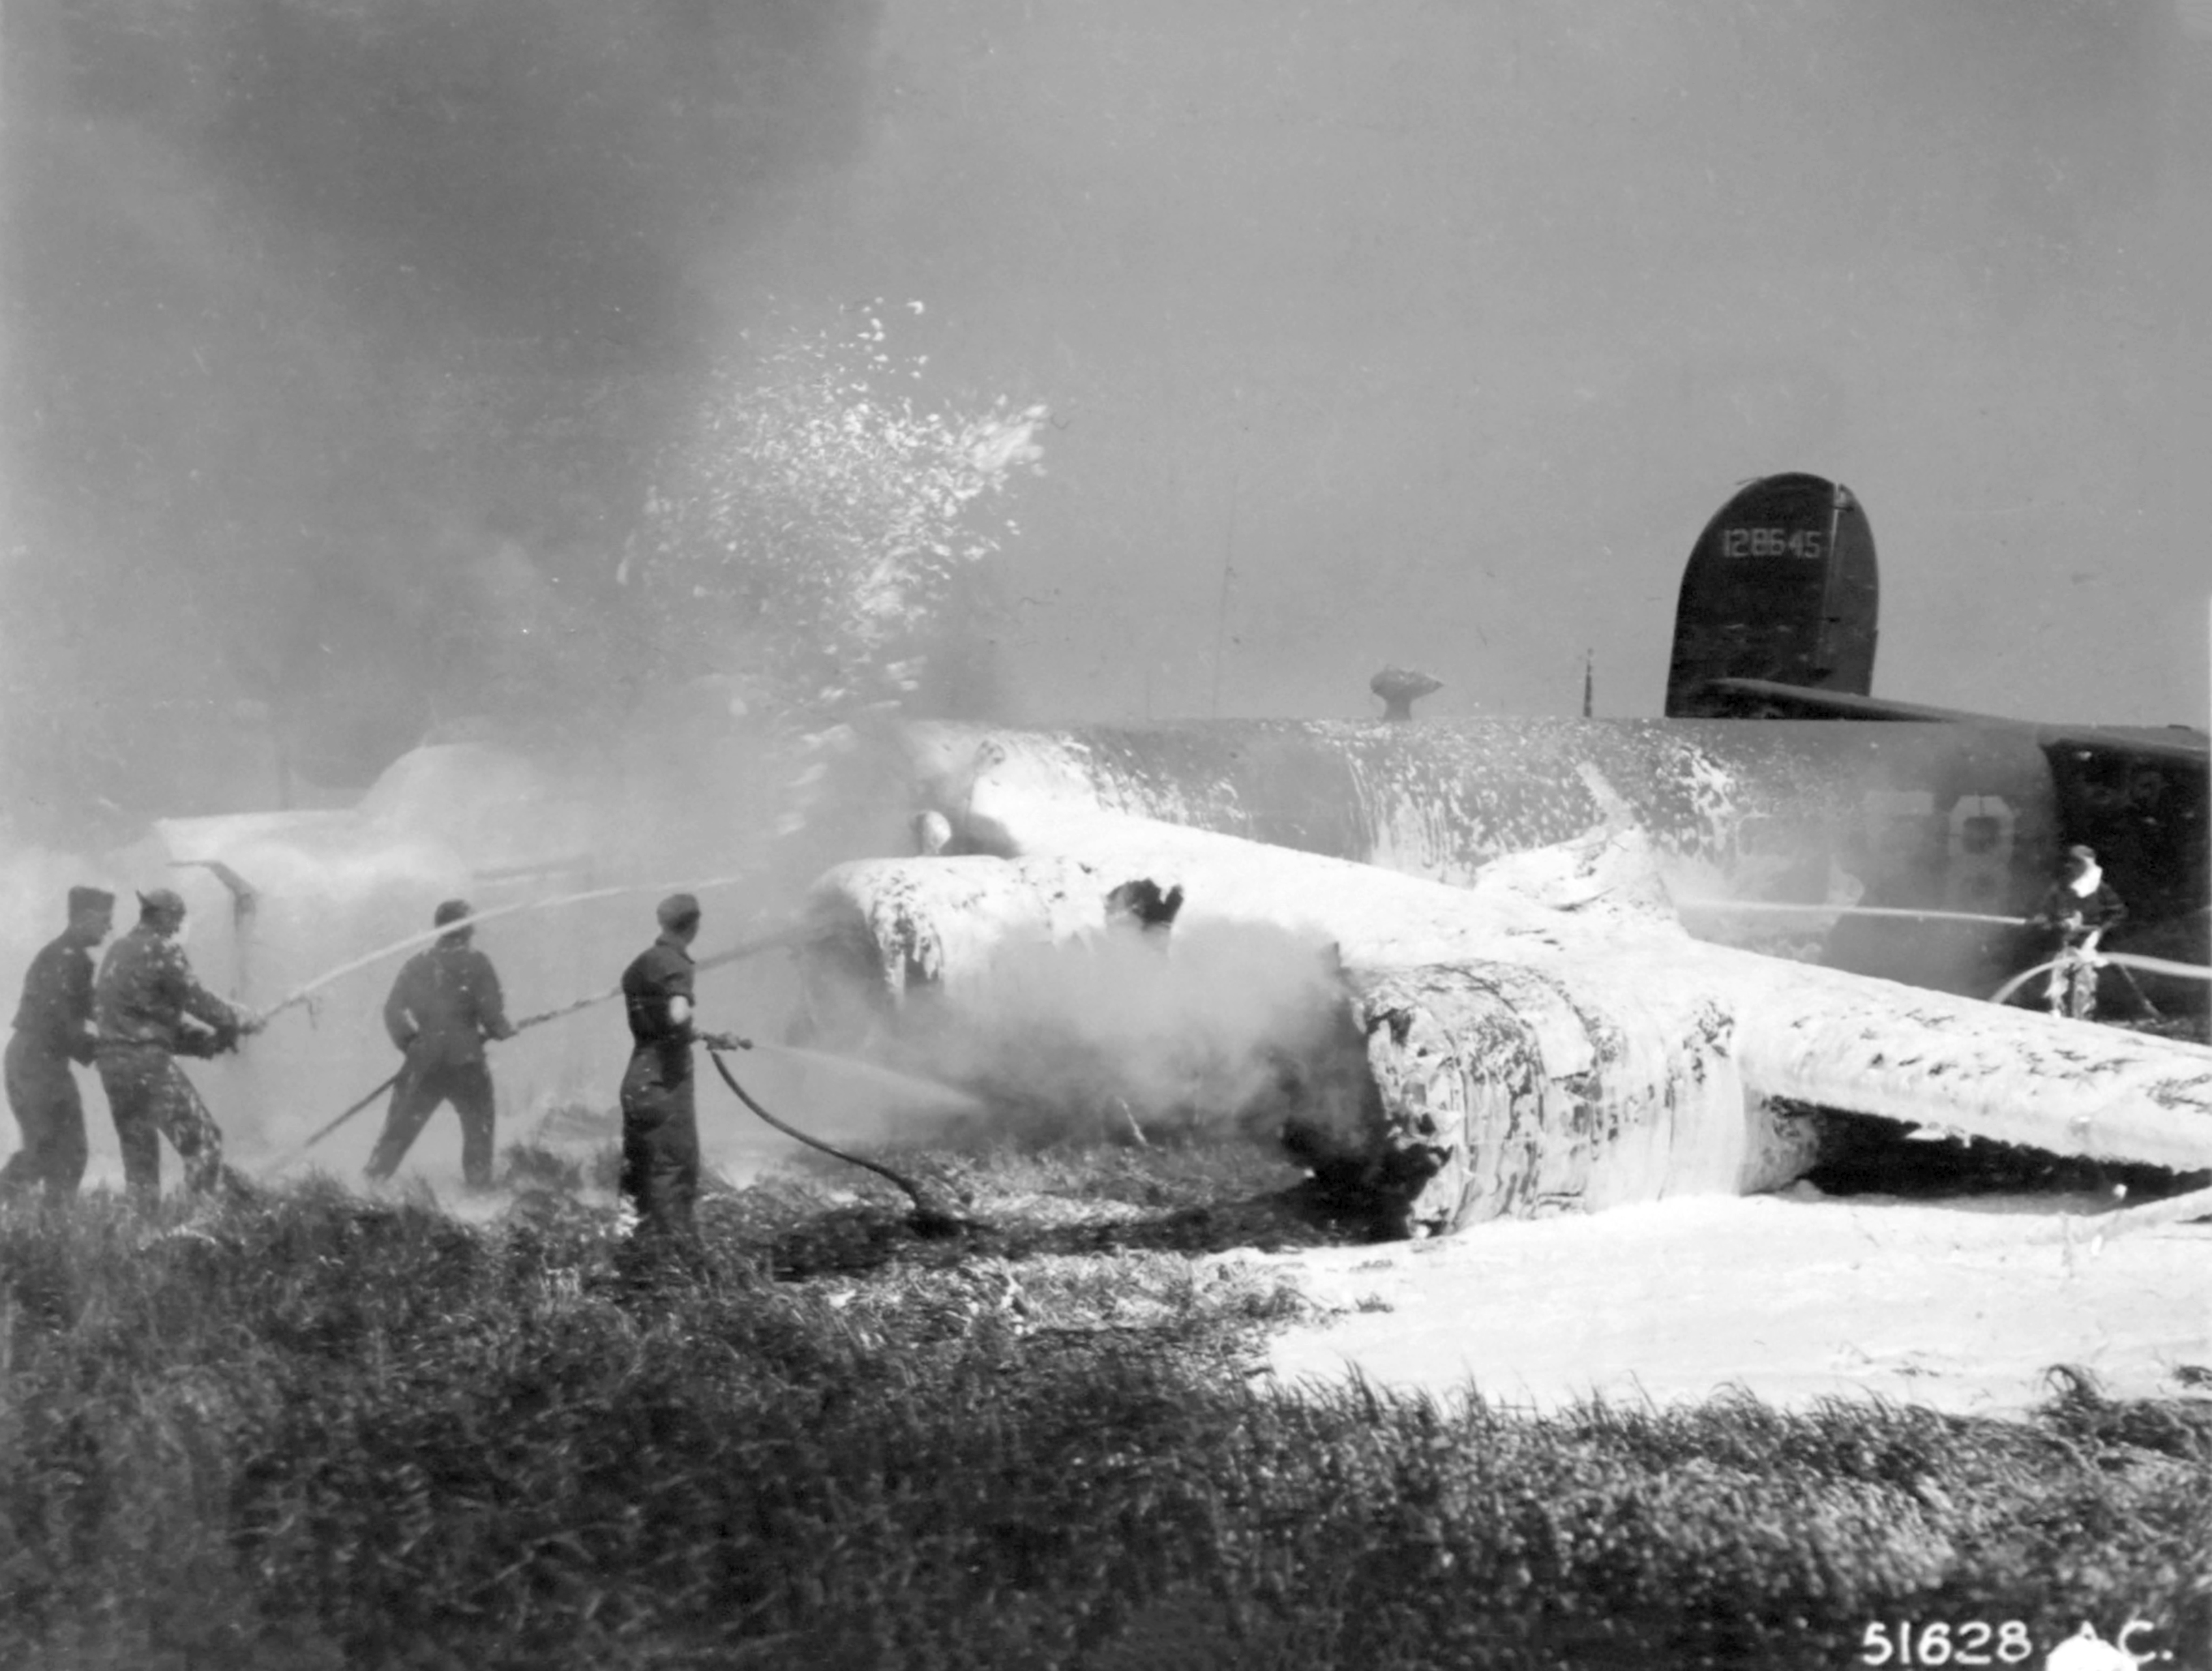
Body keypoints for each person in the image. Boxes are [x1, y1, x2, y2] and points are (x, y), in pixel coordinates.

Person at [93, 887, 260, 1203]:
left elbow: (144, 1017)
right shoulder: (162, 950)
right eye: (178, 920)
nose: (179, 928)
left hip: (114, 1069)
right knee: (204, 1142)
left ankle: (144, 1233)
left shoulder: (118, 951)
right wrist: (241, 1020)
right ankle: (198, 1222)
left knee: (140, 1159)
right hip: (147, 1066)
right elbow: (199, 1001)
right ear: (165, 917)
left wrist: (204, 1043)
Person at [618, 892, 749, 1276]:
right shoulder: (676, 964)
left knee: (640, 1168)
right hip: (664, 1084)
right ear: (693, 925)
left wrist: (705, 1034)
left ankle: (635, 1251)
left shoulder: (643, 963)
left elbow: (660, 1021)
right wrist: (689, 1024)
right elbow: (676, 1015)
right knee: (674, 1167)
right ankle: (674, 1257)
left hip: (638, 1079)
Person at [365, 899, 517, 1192]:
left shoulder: (418, 963)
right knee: (478, 1128)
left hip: (424, 1065)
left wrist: (412, 1044)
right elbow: (491, 1013)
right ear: (467, 927)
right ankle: (478, 1187)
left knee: (400, 1128)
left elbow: (392, 1010)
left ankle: (373, 1181)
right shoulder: (477, 963)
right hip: (467, 1064)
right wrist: (502, 1029)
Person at [1, 886, 115, 1203]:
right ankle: (50, 1224)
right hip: (35, 1063)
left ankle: (55, 1225)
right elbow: (60, 1019)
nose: (109, 928)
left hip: (41, 1062)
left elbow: (91, 1006)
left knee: (67, 1151)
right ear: (86, 917)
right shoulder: (64, 959)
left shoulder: (70, 959)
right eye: (106, 920)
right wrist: (102, 1049)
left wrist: (122, 1027)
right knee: (48, 1150)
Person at [2027, 844, 2127, 1021]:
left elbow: (2118, 913)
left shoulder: (2100, 888)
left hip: (2089, 941)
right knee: (2056, 973)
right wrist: (2044, 920)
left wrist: (2100, 931)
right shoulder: (2061, 887)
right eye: (2078, 864)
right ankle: (2056, 1009)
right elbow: (2045, 911)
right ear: (2071, 865)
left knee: (2084, 978)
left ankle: (2082, 1015)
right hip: (2062, 941)